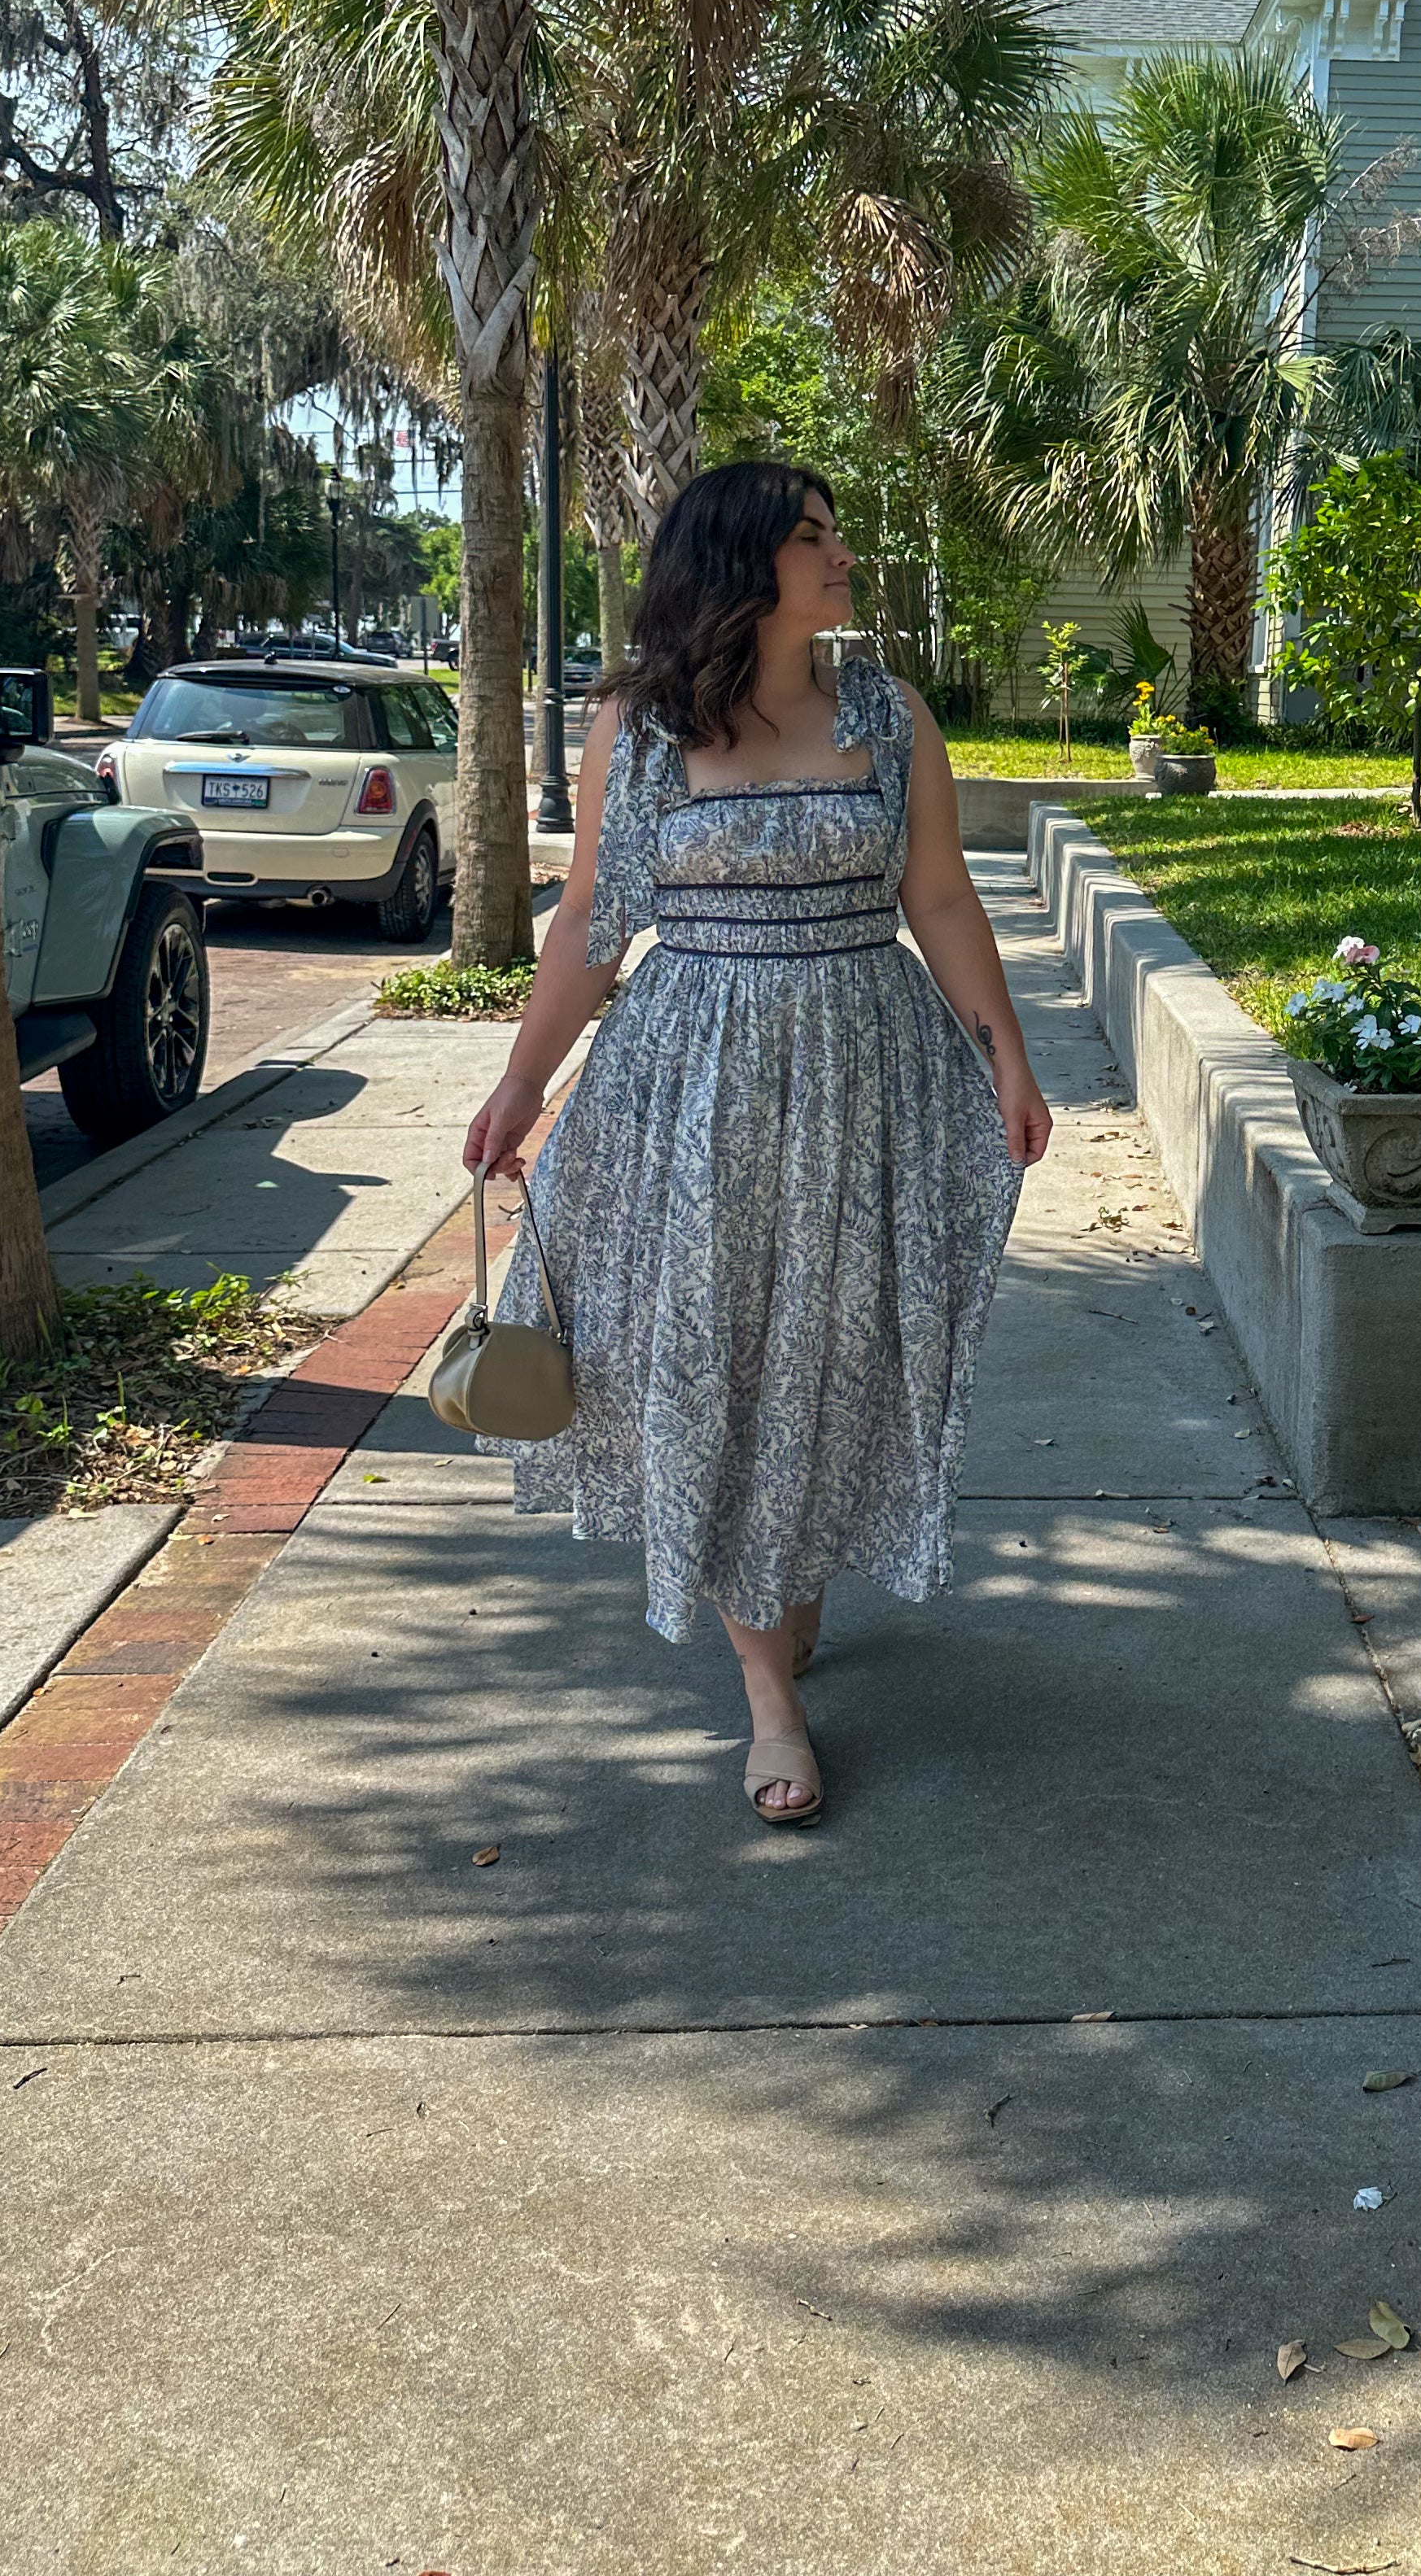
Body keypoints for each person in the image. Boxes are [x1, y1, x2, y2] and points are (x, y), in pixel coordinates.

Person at [460, 461, 1051, 1824]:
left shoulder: (890, 714)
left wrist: (1006, 1052)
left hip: (866, 1077)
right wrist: (519, 1085)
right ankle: (768, 1693)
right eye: (812, 538)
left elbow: (944, 896)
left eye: (838, 532)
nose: (843, 556)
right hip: (688, 1093)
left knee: (833, 1355)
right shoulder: (641, 725)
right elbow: (592, 927)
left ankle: (792, 1579)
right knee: (712, 1359)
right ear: (740, 564)